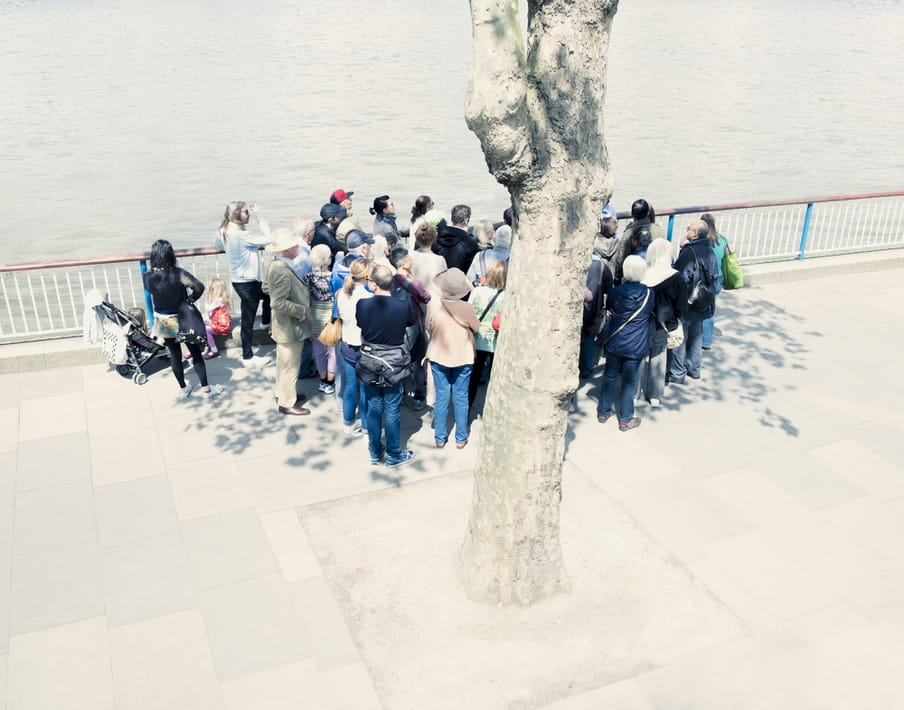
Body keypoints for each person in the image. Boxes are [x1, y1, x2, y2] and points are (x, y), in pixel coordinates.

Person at [143, 239, 224, 400]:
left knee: (175, 355)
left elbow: (152, 290)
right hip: (183, 318)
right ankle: (207, 389)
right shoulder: (178, 274)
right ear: (170, 255)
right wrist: (189, 300)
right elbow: (198, 287)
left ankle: (183, 389)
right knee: (195, 353)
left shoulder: (147, 277)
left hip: (163, 320)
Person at [356, 264, 417, 467]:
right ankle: (394, 453)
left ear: (373, 283)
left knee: (374, 407)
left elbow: (361, 324)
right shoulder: (402, 306)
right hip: (394, 365)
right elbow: (409, 323)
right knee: (392, 409)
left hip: (370, 363)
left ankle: (374, 451)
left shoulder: (362, 305)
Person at [596, 255, 654, 431]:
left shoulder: (615, 292)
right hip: (636, 344)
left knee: (610, 376)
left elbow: (611, 308)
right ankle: (626, 418)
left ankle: (603, 411)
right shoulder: (649, 293)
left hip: (615, 340)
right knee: (629, 381)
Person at [426, 268, 479, 448]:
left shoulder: (433, 305)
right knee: (461, 397)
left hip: (439, 355)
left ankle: (440, 437)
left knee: (441, 397)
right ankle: (461, 437)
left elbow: (429, 327)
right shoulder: (467, 307)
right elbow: (476, 327)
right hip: (463, 356)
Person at [214, 201, 272, 367]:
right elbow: (268, 238)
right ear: (238, 214)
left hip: (240, 280)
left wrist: (234, 250)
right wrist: (260, 216)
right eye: (247, 212)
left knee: (268, 294)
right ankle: (248, 356)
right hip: (248, 282)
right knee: (248, 319)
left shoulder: (224, 230)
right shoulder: (243, 235)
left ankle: (266, 322)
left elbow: (217, 245)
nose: (249, 214)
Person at [262, 228, 311, 416]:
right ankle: (287, 403)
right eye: (293, 245)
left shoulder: (274, 265)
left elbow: (266, 288)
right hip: (290, 327)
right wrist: (301, 310)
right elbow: (278, 301)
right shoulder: (282, 270)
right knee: (290, 366)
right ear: (285, 250)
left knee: (283, 363)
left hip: (281, 325)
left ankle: (282, 394)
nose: (297, 246)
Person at [667, 220, 719, 385]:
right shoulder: (710, 252)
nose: (687, 231)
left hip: (688, 302)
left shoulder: (689, 252)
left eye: (688, 228)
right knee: (696, 335)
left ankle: (677, 372)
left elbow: (681, 277)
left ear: (695, 233)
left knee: (680, 335)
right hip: (703, 302)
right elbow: (715, 277)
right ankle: (694, 368)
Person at [638, 239, 687, 407]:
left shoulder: (642, 274)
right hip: (662, 324)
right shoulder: (676, 277)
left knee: (638, 359)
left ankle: (634, 393)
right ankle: (655, 396)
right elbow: (681, 307)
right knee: (658, 359)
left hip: (641, 323)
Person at [389, 246, 431, 410]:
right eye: (409, 259)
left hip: (396, 325)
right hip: (414, 325)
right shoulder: (413, 283)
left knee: (400, 360)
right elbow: (426, 297)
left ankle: (400, 394)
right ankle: (419, 397)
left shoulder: (391, 281)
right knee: (417, 362)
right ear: (404, 263)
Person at [336, 258, 374, 436]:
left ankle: (348, 421)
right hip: (363, 346)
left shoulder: (341, 293)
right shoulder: (368, 298)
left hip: (347, 343)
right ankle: (366, 425)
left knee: (351, 386)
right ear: (367, 276)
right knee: (366, 388)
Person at [467, 260, 506, 413]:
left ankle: (467, 408)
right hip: (496, 340)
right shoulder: (506, 296)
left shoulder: (477, 292)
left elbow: (470, 312)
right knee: (495, 377)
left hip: (478, 339)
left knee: (473, 378)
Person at [303, 244, 337, 395]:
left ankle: (322, 381)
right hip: (331, 319)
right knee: (332, 353)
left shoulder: (308, 277)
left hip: (315, 318)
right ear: (327, 261)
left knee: (319, 352)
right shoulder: (333, 277)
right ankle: (330, 382)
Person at [580, 237, 614, 378]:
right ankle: (586, 369)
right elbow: (608, 288)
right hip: (593, 311)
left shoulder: (575, 263)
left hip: (577, 309)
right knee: (588, 340)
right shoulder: (601, 266)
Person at [611, 198, 665, 283]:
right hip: (654, 275)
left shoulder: (629, 233)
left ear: (632, 214)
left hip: (634, 276)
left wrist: (617, 278)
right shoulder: (659, 230)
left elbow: (622, 258)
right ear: (648, 213)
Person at [700, 212, 729, 350]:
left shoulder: (702, 240)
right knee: (710, 307)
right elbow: (729, 254)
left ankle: (699, 338)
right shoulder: (722, 239)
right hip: (719, 277)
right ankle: (706, 340)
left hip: (706, 277)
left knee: (699, 306)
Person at [433, 204, 480, 273]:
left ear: (452, 219)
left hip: (438, 279)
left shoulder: (436, 236)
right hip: (461, 280)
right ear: (466, 221)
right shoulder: (470, 241)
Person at [466, 220, 512, 286]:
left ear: (494, 239)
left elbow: (469, 280)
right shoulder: (515, 260)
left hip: (482, 293)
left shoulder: (479, 256)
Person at [409, 222, 447, 293]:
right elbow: (443, 284)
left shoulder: (409, 256)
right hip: (433, 299)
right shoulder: (439, 260)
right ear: (433, 239)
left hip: (413, 298)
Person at [202, 277, 231, 360]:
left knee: (206, 330)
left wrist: (207, 298)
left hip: (221, 326)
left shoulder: (219, 300)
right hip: (219, 323)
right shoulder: (222, 298)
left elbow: (207, 308)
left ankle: (214, 351)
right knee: (201, 324)